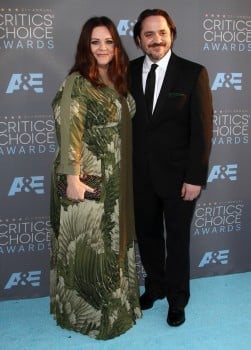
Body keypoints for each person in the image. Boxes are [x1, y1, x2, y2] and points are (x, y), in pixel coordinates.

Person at [50, 16, 141, 340]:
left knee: (111, 242)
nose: (103, 48)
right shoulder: (78, 81)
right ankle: (90, 319)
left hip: (115, 178)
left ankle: (116, 308)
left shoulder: (116, 79)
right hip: (87, 178)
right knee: (91, 246)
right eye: (95, 42)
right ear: (85, 47)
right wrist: (72, 179)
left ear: (116, 46)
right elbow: (69, 130)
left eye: (109, 41)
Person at [130, 9, 213, 327]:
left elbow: (203, 131)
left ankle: (178, 300)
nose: (156, 39)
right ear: (139, 40)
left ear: (172, 35)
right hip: (139, 177)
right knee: (148, 237)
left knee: (177, 241)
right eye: (149, 34)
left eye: (162, 32)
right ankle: (155, 287)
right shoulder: (128, 71)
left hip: (180, 180)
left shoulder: (193, 73)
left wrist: (195, 177)